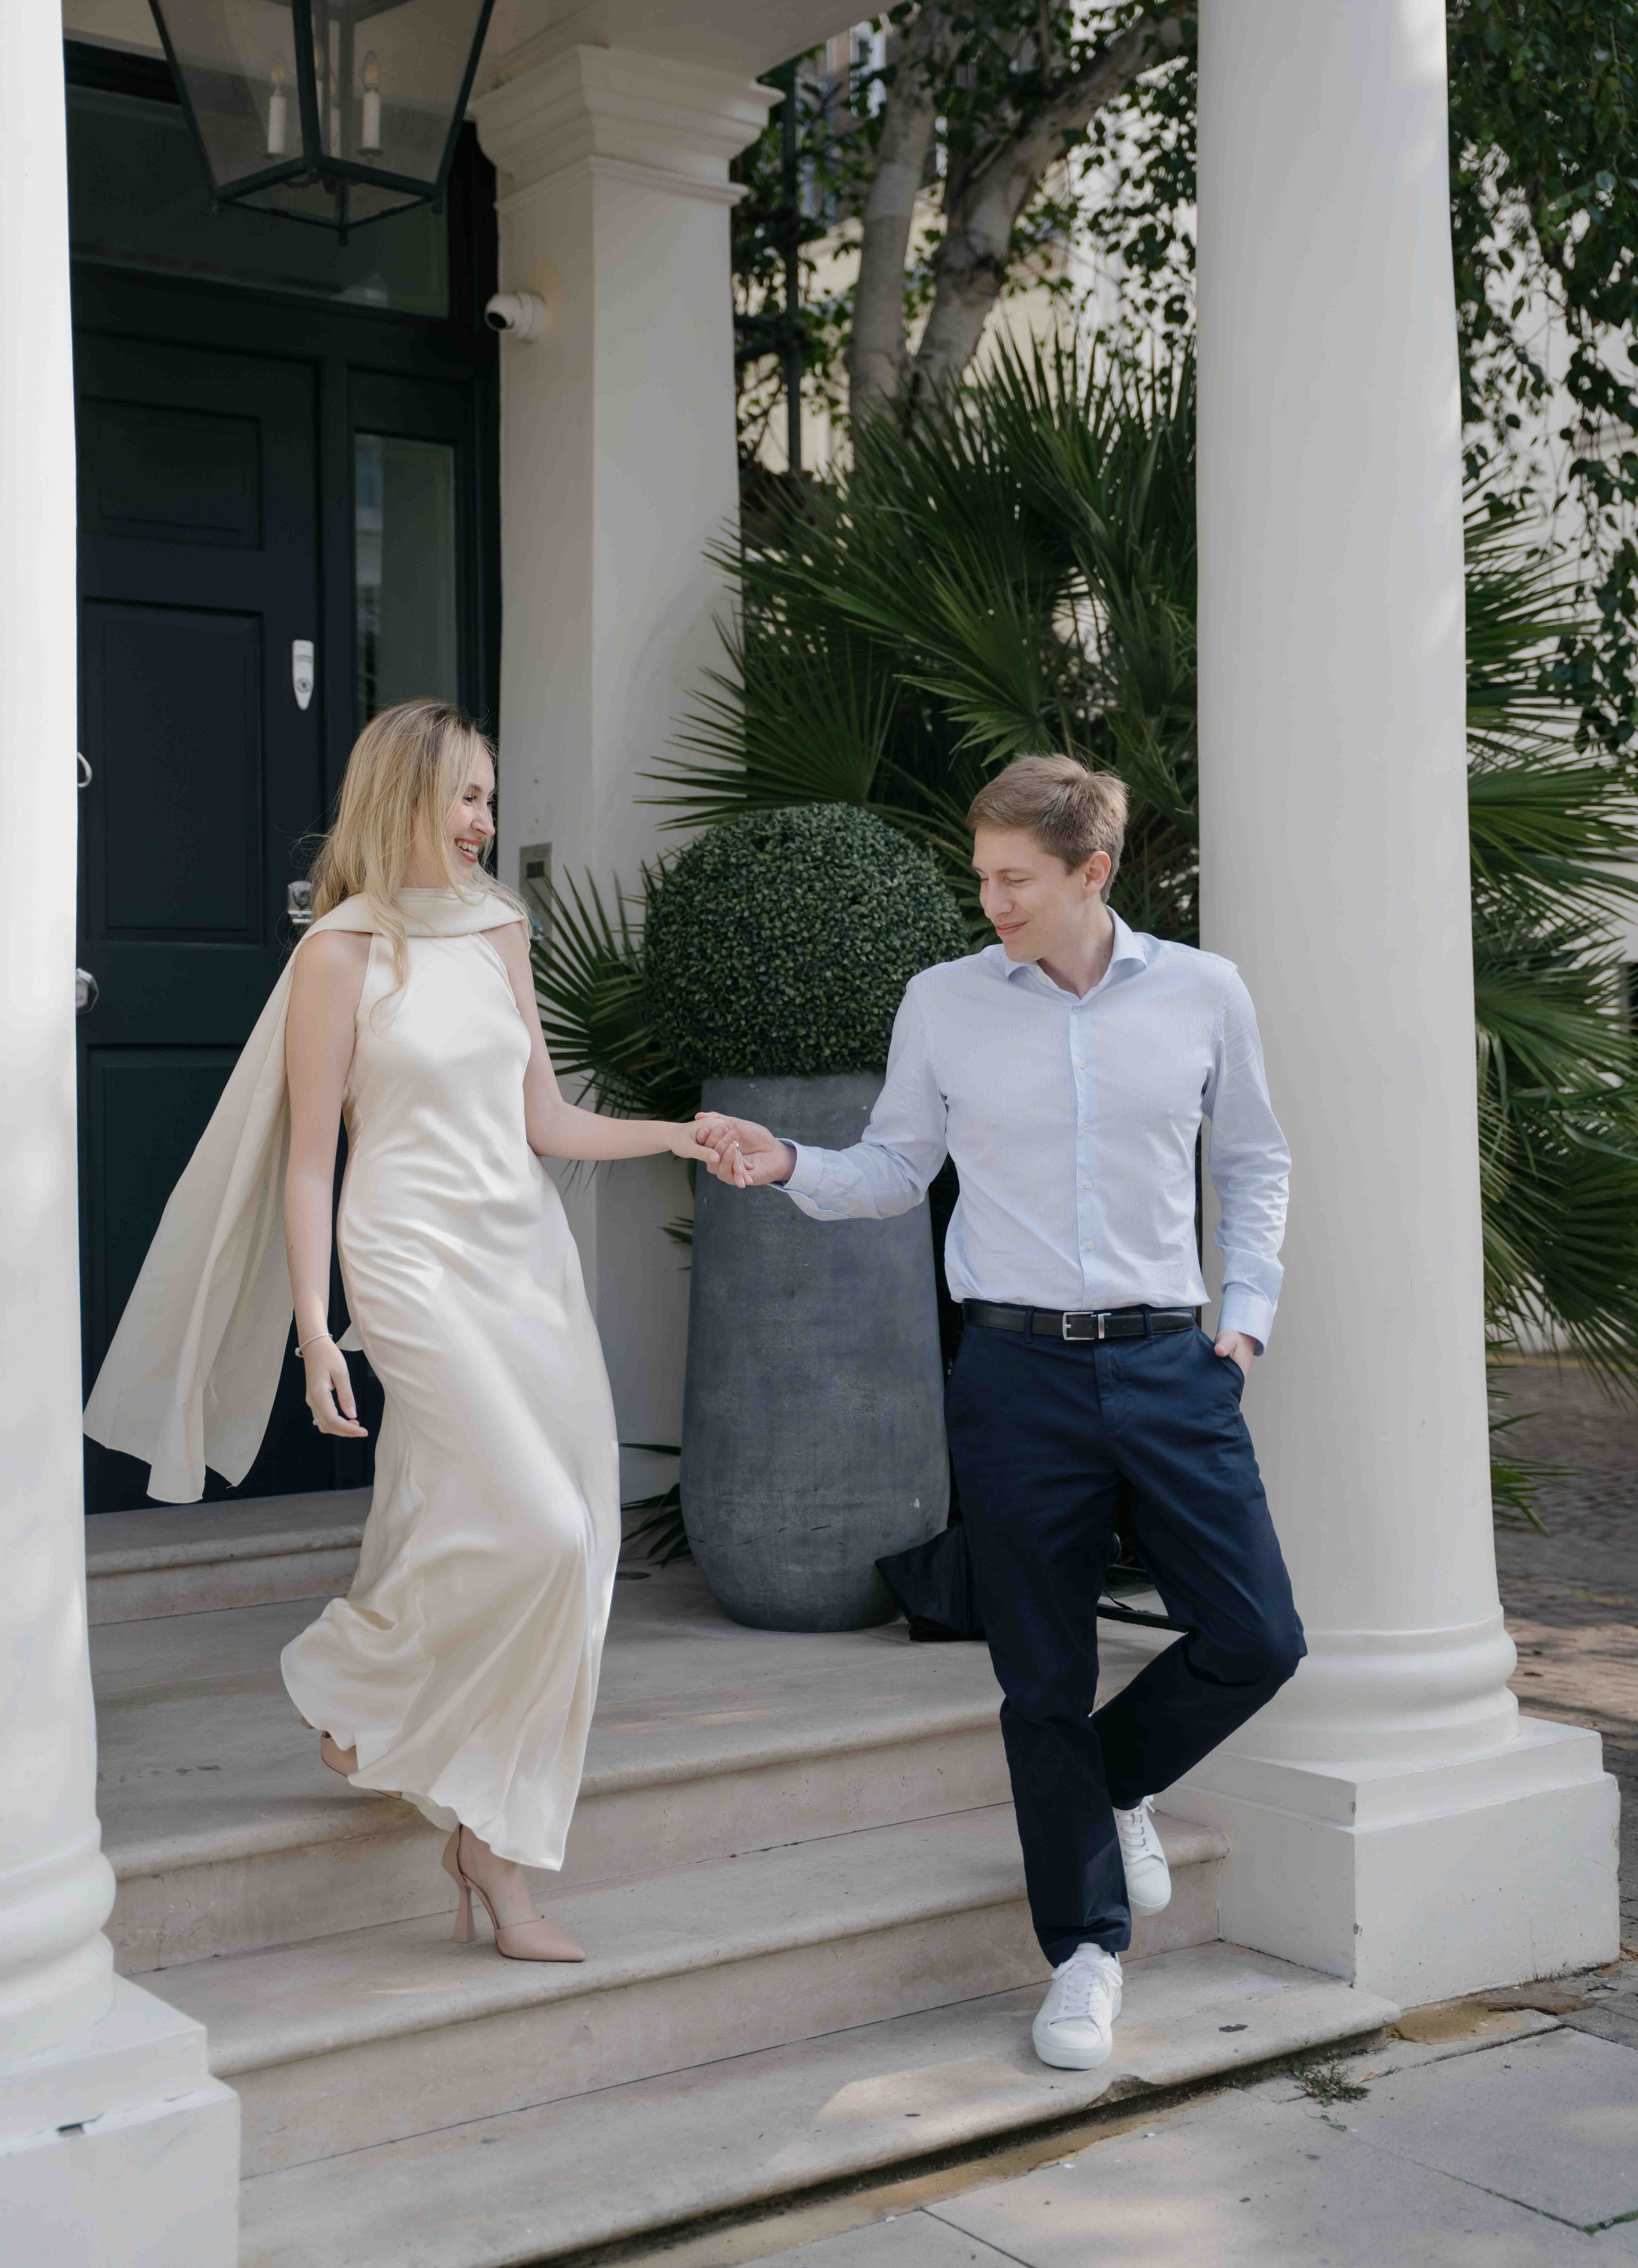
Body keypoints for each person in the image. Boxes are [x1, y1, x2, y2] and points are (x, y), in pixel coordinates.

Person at [85, 699, 747, 1963]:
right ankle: (357, 1681)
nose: (482, 819)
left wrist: (679, 1134)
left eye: (489, 795)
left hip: (524, 1262)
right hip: (407, 1261)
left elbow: (544, 1120)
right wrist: (315, 1326)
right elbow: (308, 1161)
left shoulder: (499, 928)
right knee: (545, 1529)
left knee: (564, 1545)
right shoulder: (341, 952)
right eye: (462, 795)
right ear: (400, 797)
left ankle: (490, 1849)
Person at [694, 755, 1304, 2072]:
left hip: (1170, 1363)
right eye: (982, 877)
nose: (993, 902)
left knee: (1257, 1636)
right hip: (1016, 1377)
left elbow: (1255, 1160)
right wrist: (787, 1161)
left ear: (1093, 872)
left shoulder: (1204, 993)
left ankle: (1115, 1780)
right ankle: (1084, 1955)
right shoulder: (943, 1002)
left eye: (1016, 878)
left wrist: (1243, 1323)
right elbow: (895, 1167)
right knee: (1041, 1677)